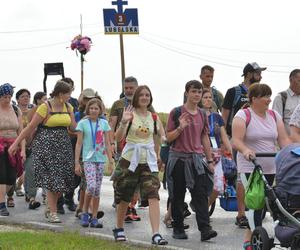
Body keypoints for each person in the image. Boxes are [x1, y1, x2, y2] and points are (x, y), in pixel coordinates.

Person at [231, 83, 290, 250]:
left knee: (263, 205)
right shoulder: (243, 115)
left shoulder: (274, 115)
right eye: (265, 96)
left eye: (269, 96)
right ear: (253, 99)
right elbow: (236, 140)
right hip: (250, 166)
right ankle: (255, 239)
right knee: (254, 202)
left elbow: (283, 140)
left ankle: (249, 238)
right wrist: (246, 150)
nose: (269, 100)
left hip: (271, 166)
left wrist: (291, 153)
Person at [9, 80, 77, 223]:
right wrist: (16, 143)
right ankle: (52, 212)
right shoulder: (45, 107)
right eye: (67, 94)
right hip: (46, 145)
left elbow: (73, 128)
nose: (69, 97)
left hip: (63, 146)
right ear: (60, 94)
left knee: (62, 181)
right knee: (53, 180)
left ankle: (50, 207)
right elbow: (30, 127)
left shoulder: (68, 107)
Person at [112, 85, 168, 245]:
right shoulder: (129, 114)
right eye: (142, 95)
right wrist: (123, 122)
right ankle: (119, 228)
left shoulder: (154, 117)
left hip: (148, 161)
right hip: (130, 160)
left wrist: (160, 154)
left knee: (153, 195)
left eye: (147, 95)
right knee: (125, 195)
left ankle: (156, 234)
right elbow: (117, 137)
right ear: (136, 97)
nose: (145, 97)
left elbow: (161, 137)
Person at [166, 80, 217, 241]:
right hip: (178, 159)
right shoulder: (176, 112)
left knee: (200, 195)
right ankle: (178, 228)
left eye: (199, 92)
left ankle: (205, 229)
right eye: (193, 91)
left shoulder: (202, 114)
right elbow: (168, 138)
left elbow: (204, 137)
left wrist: (209, 160)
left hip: (196, 160)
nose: (196, 95)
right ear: (187, 93)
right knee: (177, 195)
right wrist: (180, 127)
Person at [222, 62, 266, 228]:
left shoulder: (262, 93)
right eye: (257, 73)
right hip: (236, 139)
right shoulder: (234, 92)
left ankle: (256, 210)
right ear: (248, 74)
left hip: (258, 140)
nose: (260, 76)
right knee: (242, 176)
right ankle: (241, 214)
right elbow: (224, 116)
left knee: (259, 176)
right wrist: (224, 138)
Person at [109, 76, 149, 222]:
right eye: (126, 88)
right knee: (122, 177)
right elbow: (111, 125)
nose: (128, 90)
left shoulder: (146, 104)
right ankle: (120, 201)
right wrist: (111, 143)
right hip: (122, 147)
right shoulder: (118, 104)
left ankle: (131, 206)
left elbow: (154, 124)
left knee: (137, 178)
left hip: (141, 147)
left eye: (131, 88)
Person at [75, 98, 113, 228]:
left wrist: (111, 160)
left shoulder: (104, 124)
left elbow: (107, 143)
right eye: (91, 108)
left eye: (96, 108)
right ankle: (85, 213)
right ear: (88, 109)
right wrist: (76, 162)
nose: (93, 110)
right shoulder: (83, 123)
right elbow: (79, 143)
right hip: (88, 159)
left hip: (100, 159)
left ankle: (95, 216)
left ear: (100, 110)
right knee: (90, 186)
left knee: (97, 190)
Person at [200, 89, 232, 207]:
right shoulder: (197, 115)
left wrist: (231, 152)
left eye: (210, 97)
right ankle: (202, 211)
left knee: (218, 186)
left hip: (216, 154)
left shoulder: (217, 117)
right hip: (201, 154)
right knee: (201, 185)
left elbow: (224, 137)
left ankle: (205, 207)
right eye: (205, 97)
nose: (208, 100)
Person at [0, 83, 25, 216]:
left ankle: (1, 199)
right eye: (4, 97)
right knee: (2, 176)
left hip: (13, 147)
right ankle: (1, 205)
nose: (7, 99)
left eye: (9, 96)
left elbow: (21, 131)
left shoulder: (16, 110)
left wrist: (23, 150)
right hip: (0, 146)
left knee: (11, 177)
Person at [56, 77, 79, 214]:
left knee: (74, 174)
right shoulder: (51, 104)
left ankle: (69, 198)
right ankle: (58, 203)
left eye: (69, 88)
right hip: (57, 142)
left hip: (72, 141)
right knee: (59, 174)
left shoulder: (74, 103)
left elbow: (74, 123)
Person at [23, 91, 47, 210]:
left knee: (43, 171)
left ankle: (41, 196)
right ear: (37, 100)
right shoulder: (34, 111)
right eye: (43, 99)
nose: (46, 101)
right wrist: (27, 143)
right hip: (32, 145)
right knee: (31, 171)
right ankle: (31, 196)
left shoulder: (48, 110)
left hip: (45, 146)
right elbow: (30, 128)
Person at [272, 69, 300, 134]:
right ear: (291, 80)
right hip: (288, 142)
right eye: (299, 81)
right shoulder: (281, 97)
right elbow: (275, 122)